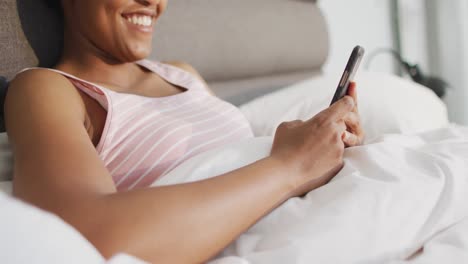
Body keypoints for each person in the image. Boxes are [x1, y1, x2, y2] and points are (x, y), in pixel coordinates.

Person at [4, 0, 365, 263]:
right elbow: (79, 239)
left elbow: (234, 155)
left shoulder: (181, 73)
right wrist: (293, 165)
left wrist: (322, 144)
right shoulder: (48, 90)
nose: (154, 3)